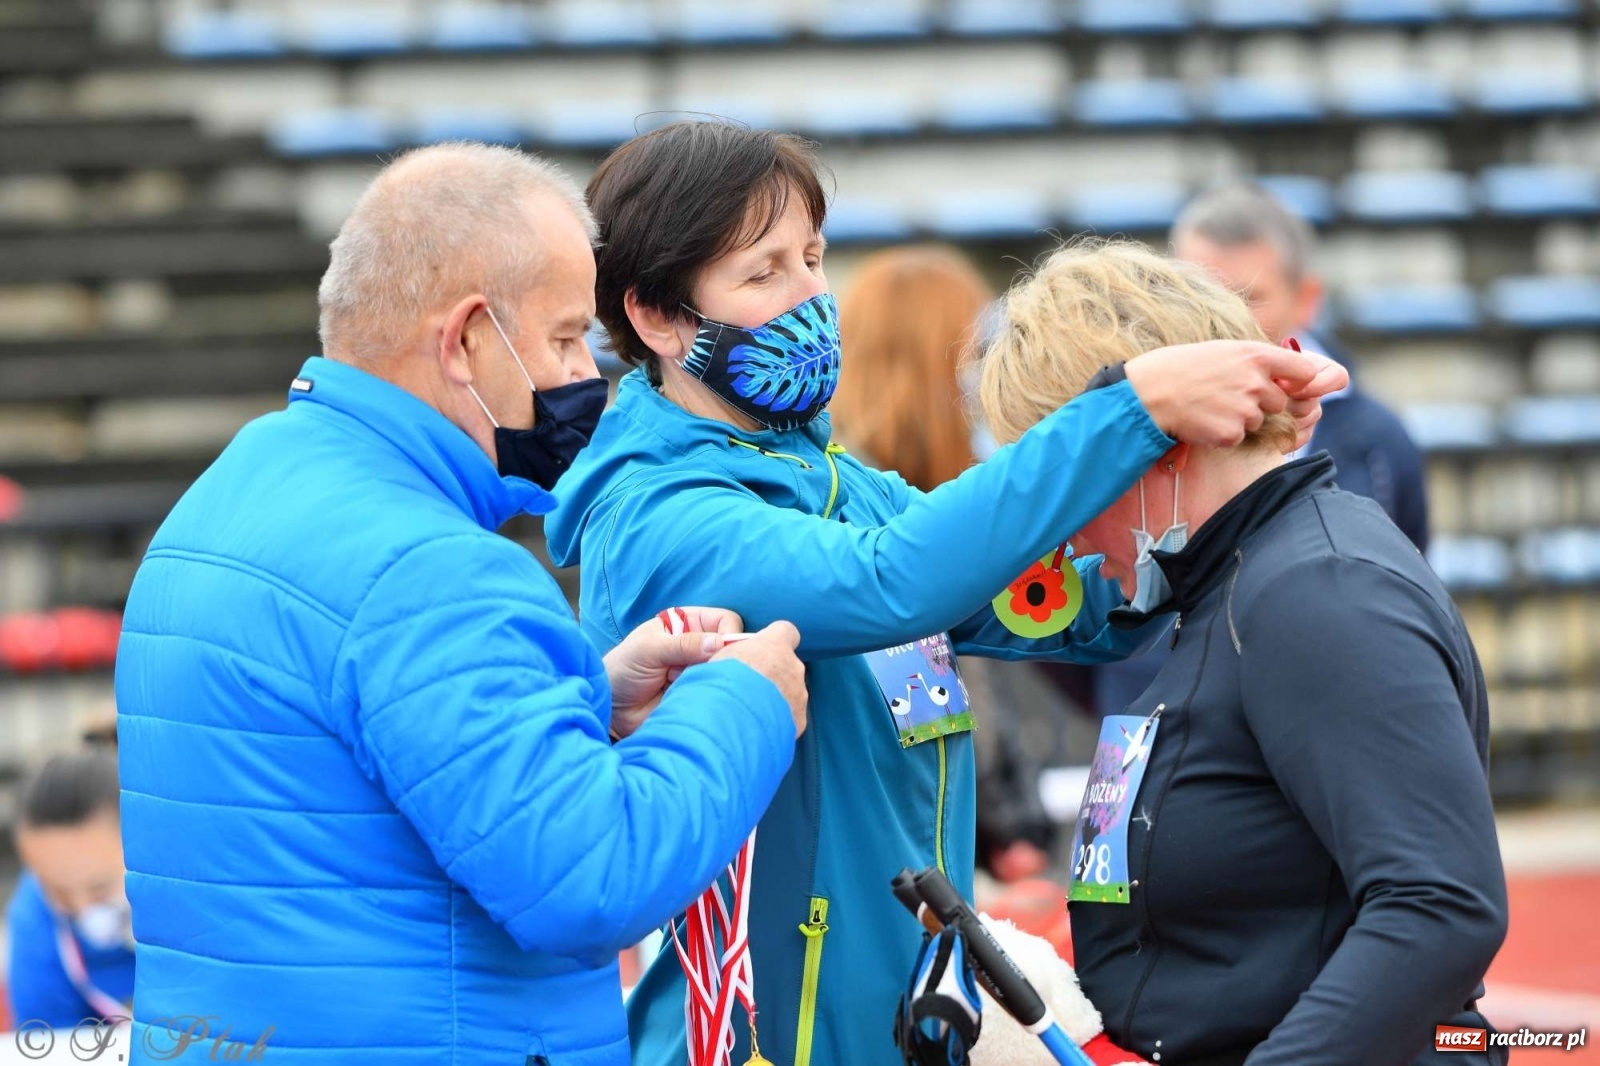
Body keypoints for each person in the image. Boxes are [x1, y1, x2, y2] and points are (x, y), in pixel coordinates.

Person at [543, 120, 1346, 1066]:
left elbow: (1057, 606)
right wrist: (1133, 410)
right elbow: (895, 579)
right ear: (658, 318)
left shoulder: (838, 484)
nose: (811, 295)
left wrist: (1217, 494)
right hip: (770, 1036)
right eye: (763, 274)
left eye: (813, 257)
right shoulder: (660, 515)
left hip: (904, 1016)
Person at [114, 143, 808, 1066]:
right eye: (564, 339)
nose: (581, 376)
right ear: (467, 339)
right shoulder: (432, 567)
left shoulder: (227, 493)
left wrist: (586, 701)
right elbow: (587, 877)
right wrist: (745, 704)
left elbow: (355, 772)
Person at [979, 240, 1507, 1066]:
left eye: (1065, 479)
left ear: (1162, 438)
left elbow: (1438, 905)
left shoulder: (1318, 591)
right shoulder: (1235, 578)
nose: (1063, 528)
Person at [1092, 181, 1432, 716]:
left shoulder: (1377, 443)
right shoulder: (1118, 423)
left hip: (1321, 720)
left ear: (1308, 299)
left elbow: (1401, 580)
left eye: (1247, 297)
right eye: (1193, 293)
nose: (1215, 319)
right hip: (1153, 733)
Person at [832, 244, 1055, 886]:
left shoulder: (932, 503)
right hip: (921, 871)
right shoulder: (876, 525)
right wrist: (1013, 838)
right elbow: (928, 716)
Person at [7, 749, 135, 1026]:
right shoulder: (33, 918)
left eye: (99, 887)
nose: (82, 906)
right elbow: (45, 1040)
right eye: (58, 891)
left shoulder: (192, 892)